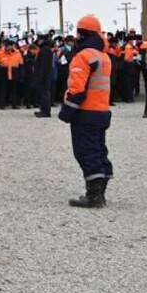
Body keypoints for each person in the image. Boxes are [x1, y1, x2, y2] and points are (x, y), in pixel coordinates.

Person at [60, 15, 114, 209]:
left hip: (86, 112)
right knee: (99, 149)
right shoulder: (104, 56)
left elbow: (77, 88)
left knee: (85, 151)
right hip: (102, 110)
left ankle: (94, 196)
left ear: (81, 33)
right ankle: (101, 191)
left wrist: (66, 112)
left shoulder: (82, 56)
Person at [0, 42, 24, 109]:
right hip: (3, 72)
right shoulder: (0, 54)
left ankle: (14, 104)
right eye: (7, 46)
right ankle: (2, 104)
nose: (8, 47)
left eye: (10, 46)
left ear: (12, 46)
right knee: (3, 89)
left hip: (14, 72)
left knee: (14, 90)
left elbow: (21, 65)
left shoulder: (18, 53)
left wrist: (21, 75)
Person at [33, 36, 55, 117]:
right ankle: (43, 110)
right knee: (43, 93)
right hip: (45, 75)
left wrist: (40, 77)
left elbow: (44, 66)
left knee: (44, 94)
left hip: (44, 76)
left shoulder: (45, 50)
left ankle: (45, 112)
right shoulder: (45, 49)